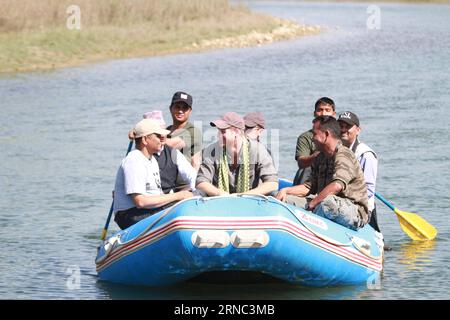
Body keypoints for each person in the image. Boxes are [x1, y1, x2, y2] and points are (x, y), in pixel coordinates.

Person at [277, 116, 369, 230]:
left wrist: (313, 204)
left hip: (352, 209)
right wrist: (285, 191)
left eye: (315, 134)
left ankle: (313, 231)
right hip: (322, 204)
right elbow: (309, 187)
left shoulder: (344, 155)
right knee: (283, 198)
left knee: (327, 203)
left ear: (326, 134)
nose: (312, 138)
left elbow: (337, 185)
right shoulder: (320, 157)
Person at [113, 119, 193, 230]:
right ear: (145, 140)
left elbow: (157, 196)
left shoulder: (152, 160)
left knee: (186, 202)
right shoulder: (134, 160)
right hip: (130, 215)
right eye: (158, 136)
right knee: (181, 205)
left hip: (146, 210)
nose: (163, 140)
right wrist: (179, 196)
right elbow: (140, 201)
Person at [196, 112, 278, 196]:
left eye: (223, 132)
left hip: (250, 200)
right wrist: (219, 193)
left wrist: (244, 195)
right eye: (218, 131)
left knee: (274, 194)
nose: (218, 135)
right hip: (220, 199)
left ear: (236, 132)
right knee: (197, 193)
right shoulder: (211, 150)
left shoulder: (258, 150)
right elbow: (201, 181)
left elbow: (272, 183)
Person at [338, 111, 380, 232]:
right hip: (341, 202)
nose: (344, 129)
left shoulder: (366, 154)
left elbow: (369, 190)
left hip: (362, 208)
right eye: (341, 126)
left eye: (348, 126)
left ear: (358, 130)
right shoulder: (335, 150)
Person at [143, 110, 197, 194]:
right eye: (157, 134)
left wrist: (194, 190)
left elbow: (192, 176)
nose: (162, 137)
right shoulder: (138, 157)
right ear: (146, 137)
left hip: (170, 199)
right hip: (149, 200)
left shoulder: (173, 153)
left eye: (164, 132)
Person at [293, 97, 336, 185]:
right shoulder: (305, 137)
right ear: (314, 113)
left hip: (333, 175)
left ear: (334, 114)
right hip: (310, 177)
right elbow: (301, 163)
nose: (323, 113)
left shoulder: (339, 134)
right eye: (320, 110)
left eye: (327, 110)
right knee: (307, 168)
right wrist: (319, 155)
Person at [165, 91, 202, 170]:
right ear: (170, 108)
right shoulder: (166, 131)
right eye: (177, 107)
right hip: (165, 179)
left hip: (184, 181)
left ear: (190, 111)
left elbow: (174, 144)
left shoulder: (193, 131)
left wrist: (146, 135)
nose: (180, 111)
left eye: (184, 108)